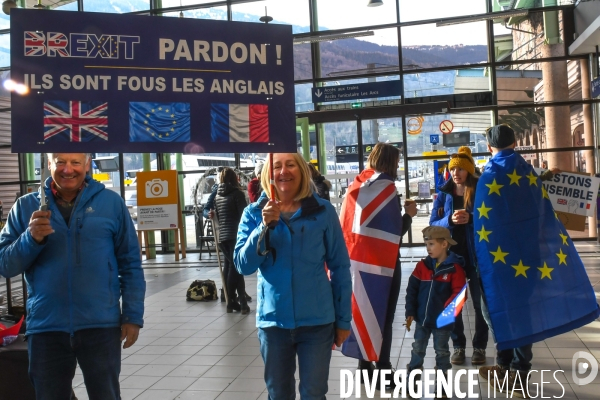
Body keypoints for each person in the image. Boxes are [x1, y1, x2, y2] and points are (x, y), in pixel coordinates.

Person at [0, 153, 145, 400]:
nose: (68, 169)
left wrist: (132, 315)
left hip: (100, 324)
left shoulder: (111, 204)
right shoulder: (26, 207)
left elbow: (130, 263)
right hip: (46, 327)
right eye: (60, 162)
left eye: (75, 162)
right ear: (48, 164)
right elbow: (5, 264)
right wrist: (30, 239)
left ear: (87, 164)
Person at [234, 153, 352, 400]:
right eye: (277, 166)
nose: (283, 171)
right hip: (273, 323)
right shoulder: (253, 213)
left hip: (317, 323)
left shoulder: (323, 211)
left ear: (302, 171)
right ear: (268, 174)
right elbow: (243, 265)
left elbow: (340, 267)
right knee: (278, 394)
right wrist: (263, 227)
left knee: (314, 393)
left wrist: (343, 320)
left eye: (290, 165)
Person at [338, 142, 416, 388]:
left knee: (362, 312)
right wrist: (409, 215)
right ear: (391, 163)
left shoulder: (356, 185)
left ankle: (363, 368)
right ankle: (383, 368)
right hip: (383, 265)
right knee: (384, 314)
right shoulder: (387, 188)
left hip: (356, 263)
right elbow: (395, 231)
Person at [429, 146, 489, 366]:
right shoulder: (444, 194)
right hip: (452, 258)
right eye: (453, 170)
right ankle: (458, 346)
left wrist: (471, 217)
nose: (456, 173)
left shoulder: (480, 191)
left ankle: (480, 347)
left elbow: (491, 219)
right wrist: (449, 221)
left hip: (476, 257)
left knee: (479, 303)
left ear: (469, 171)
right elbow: (432, 225)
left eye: (461, 169)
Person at [405, 226, 466, 398]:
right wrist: (410, 310)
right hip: (421, 320)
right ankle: (412, 382)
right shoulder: (422, 266)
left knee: (442, 352)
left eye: (431, 244)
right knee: (417, 349)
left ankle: (442, 385)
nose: (428, 248)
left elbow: (460, 294)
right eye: (426, 244)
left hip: (442, 323)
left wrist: (447, 313)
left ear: (445, 244)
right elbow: (412, 290)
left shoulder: (455, 269)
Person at [214, 167, 250, 314]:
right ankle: (235, 301)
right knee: (236, 268)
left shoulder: (217, 196)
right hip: (236, 235)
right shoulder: (237, 194)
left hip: (223, 237)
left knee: (231, 267)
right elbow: (244, 214)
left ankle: (235, 301)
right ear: (235, 179)